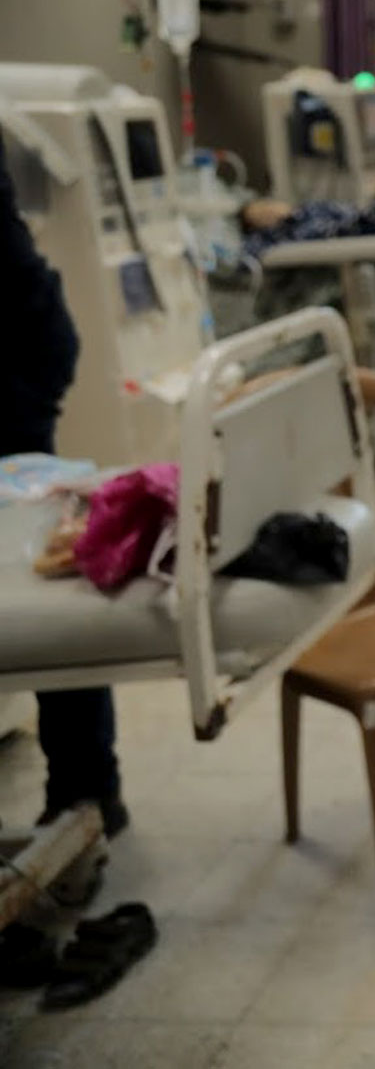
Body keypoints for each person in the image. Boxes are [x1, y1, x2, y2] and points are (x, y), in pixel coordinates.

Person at [0, 148, 127, 838]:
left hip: (17, 358)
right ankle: (88, 788)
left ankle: (87, 790)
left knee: (46, 581)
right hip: (27, 342)